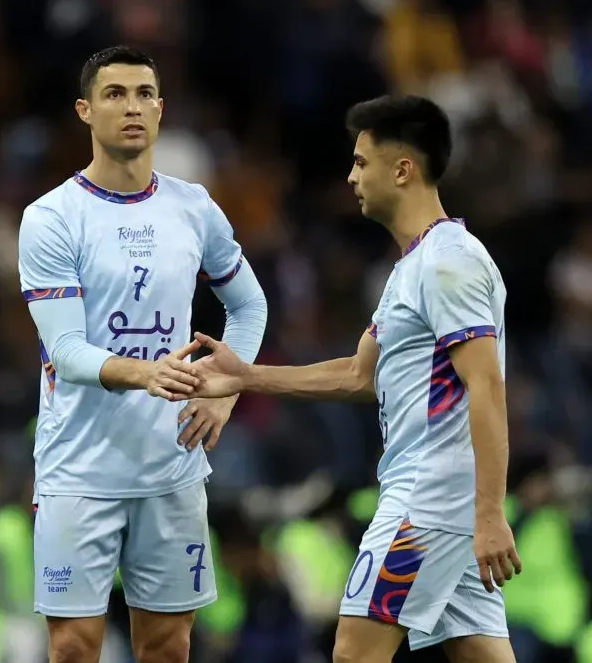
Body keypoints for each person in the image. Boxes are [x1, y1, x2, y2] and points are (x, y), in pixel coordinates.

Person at [172, 95, 520, 663]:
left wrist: (489, 513)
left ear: (402, 169)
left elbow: (486, 386)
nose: (350, 176)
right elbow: (360, 375)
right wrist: (245, 376)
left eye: (361, 162)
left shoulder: (449, 263)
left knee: (354, 653)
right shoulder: (414, 267)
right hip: (439, 503)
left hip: (429, 503)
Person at [17, 45, 268, 663]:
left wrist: (227, 391)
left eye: (144, 94)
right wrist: (148, 372)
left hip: (171, 466)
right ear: (85, 111)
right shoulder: (51, 217)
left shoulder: (193, 206)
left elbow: (251, 307)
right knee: (74, 648)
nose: (132, 107)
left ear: (161, 109)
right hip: (79, 469)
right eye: (115, 94)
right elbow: (68, 352)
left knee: (167, 646)